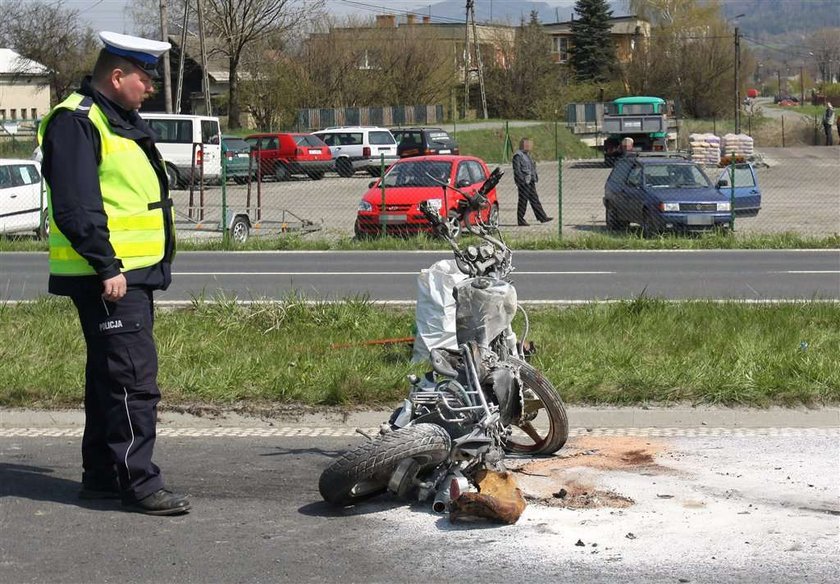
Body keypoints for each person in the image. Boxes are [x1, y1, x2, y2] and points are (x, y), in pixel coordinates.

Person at [38, 31, 189, 516]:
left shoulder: (115, 118)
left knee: (109, 378)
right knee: (131, 380)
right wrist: (107, 265)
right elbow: (77, 206)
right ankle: (138, 482)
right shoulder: (77, 122)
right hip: (112, 275)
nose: (150, 88)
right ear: (117, 76)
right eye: (144, 78)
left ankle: (103, 475)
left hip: (130, 273)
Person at [512, 137, 552, 226]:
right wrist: (521, 181)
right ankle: (520, 220)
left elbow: (532, 167)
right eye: (528, 144)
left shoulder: (527, 155)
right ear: (523, 144)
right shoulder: (518, 156)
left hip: (531, 181)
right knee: (523, 201)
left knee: (535, 199)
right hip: (523, 183)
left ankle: (542, 217)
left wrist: (534, 178)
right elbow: (517, 170)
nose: (530, 146)